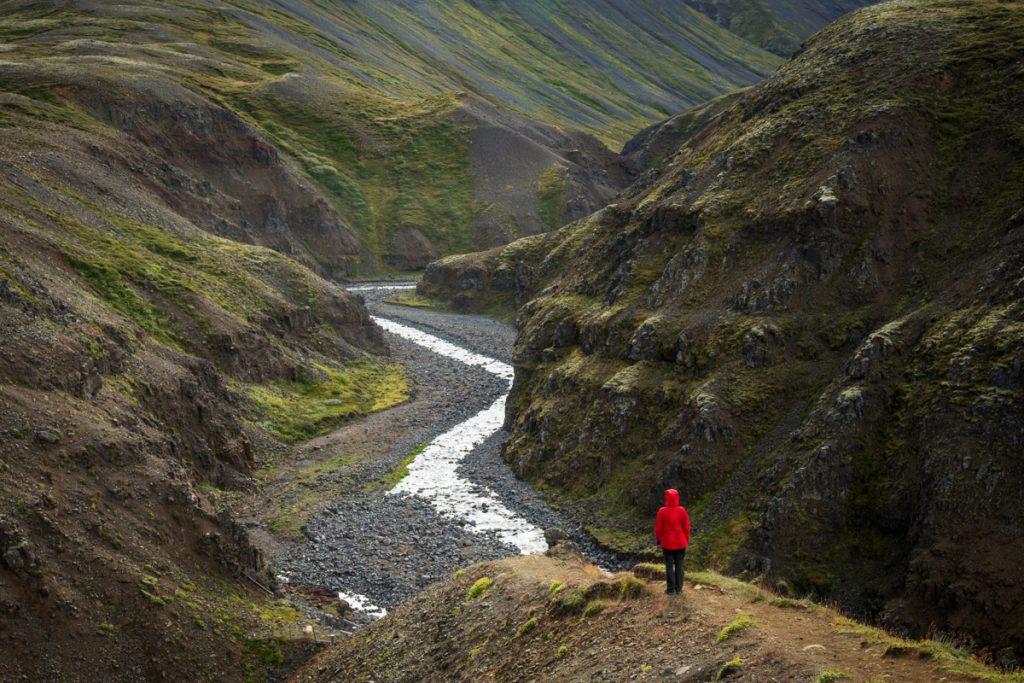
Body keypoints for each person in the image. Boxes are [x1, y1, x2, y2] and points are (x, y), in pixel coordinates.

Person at [654, 488, 690, 595]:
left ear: (667, 498)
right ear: (677, 498)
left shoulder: (662, 511)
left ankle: (670, 589)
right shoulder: (682, 510)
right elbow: (687, 527)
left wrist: (659, 539)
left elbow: (658, 529)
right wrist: (686, 539)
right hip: (681, 543)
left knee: (669, 566)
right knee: (679, 565)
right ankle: (679, 589)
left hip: (667, 544)